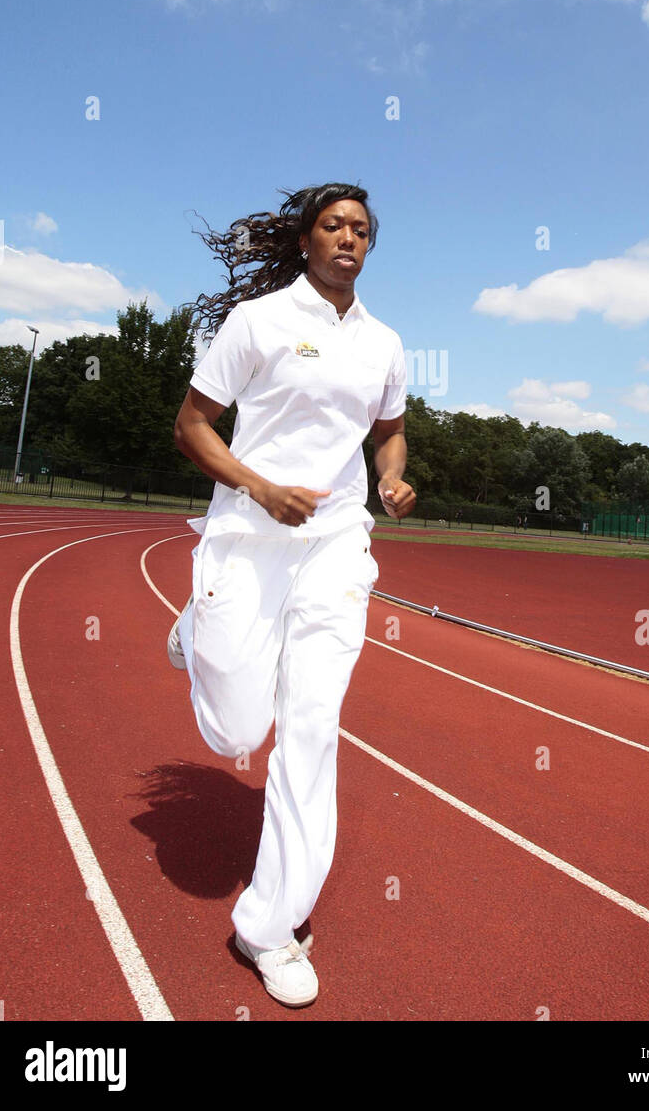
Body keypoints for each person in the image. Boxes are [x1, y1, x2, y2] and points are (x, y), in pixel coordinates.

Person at [168, 182, 416, 1008]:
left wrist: (391, 477)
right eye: (333, 224)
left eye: (361, 229)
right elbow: (192, 424)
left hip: (337, 543)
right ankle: (197, 627)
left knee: (310, 727)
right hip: (249, 533)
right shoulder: (258, 322)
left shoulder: (384, 342)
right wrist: (261, 486)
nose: (349, 237)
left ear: (369, 247)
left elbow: (388, 428)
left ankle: (269, 925)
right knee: (238, 725)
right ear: (306, 239)